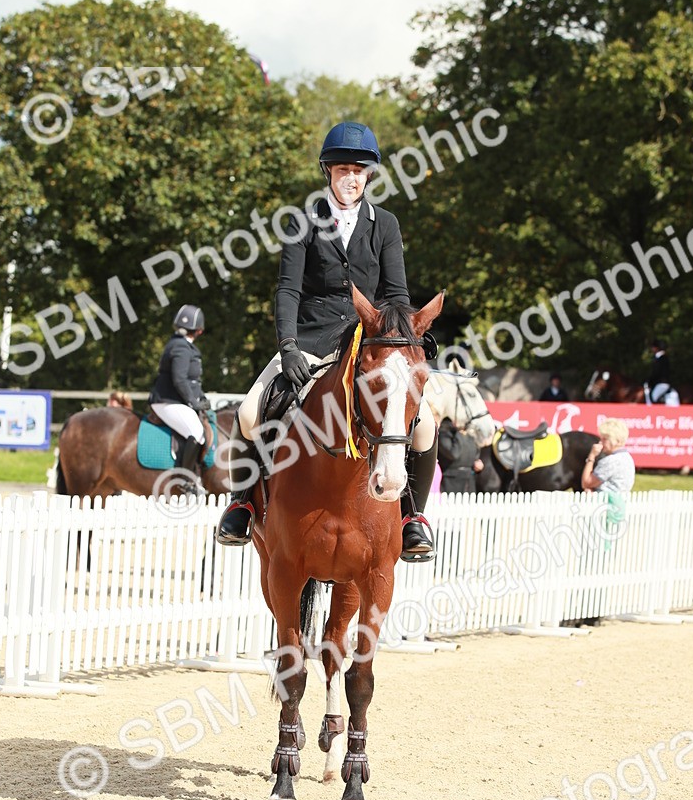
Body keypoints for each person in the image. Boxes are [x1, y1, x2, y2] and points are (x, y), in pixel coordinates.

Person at [215, 120, 439, 561]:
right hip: (312, 338)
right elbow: (288, 290)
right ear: (328, 172)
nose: (350, 178)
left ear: (369, 175)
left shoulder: (385, 224)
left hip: (368, 343)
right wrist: (288, 346)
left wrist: (404, 339)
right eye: (341, 169)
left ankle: (412, 516)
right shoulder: (303, 221)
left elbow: (396, 295)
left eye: (358, 170)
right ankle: (242, 502)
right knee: (247, 413)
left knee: (426, 424)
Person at [148, 304, 209, 475]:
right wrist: (193, 402)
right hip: (168, 402)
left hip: (176, 401)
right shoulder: (181, 347)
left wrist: (201, 397)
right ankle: (184, 478)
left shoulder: (179, 344)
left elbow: (192, 381)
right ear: (199, 331)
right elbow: (180, 380)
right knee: (196, 432)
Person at [581, 419, 636, 496]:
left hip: (604, 505)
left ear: (617, 441)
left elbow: (586, 483)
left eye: (604, 439)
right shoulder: (627, 457)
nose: (600, 442)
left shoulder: (611, 461)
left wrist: (591, 457)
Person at [436, 416, 483, 494]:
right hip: (451, 483)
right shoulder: (444, 434)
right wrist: (458, 433)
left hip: (468, 483)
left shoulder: (469, 436)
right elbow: (454, 453)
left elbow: (475, 456)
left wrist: (477, 466)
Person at [645, 339, 672, 404]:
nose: (652, 349)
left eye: (653, 348)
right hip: (659, 383)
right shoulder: (659, 358)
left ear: (656, 348)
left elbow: (656, 373)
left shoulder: (661, 359)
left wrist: (649, 381)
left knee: (652, 398)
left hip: (662, 383)